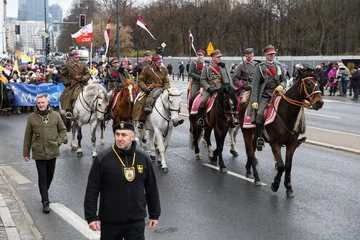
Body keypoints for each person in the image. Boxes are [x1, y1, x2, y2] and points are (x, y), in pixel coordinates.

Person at [84, 121, 161, 239]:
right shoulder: (103, 158)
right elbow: (92, 189)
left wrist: (154, 214)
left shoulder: (143, 158)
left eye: (124, 135)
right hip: (111, 221)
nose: (120, 138)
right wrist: (91, 217)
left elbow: (151, 188)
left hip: (136, 220)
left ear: (133, 136)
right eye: (117, 134)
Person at [23, 94, 68, 213]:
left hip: (53, 150)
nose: (41, 105)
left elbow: (63, 130)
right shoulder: (31, 117)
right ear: (36, 104)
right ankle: (45, 201)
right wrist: (26, 152)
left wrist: (58, 142)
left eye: (43, 102)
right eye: (39, 103)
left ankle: (44, 192)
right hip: (38, 151)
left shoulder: (55, 115)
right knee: (42, 176)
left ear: (47, 102)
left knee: (50, 175)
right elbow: (27, 136)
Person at [250, 44, 287, 151]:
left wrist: (282, 85)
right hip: (265, 94)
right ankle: (258, 138)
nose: (272, 56)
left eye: (273, 54)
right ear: (265, 55)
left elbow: (284, 79)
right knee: (260, 114)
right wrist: (254, 100)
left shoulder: (279, 67)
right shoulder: (260, 68)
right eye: (270, 54)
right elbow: (255, 84)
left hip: (278, 93)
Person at [196, 49, 235, 126]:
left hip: (221, 88)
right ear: (213, 58)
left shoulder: (223, 66)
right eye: (217, 57)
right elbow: (202, 80)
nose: (219, 58)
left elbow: (227, 80)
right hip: (210, 88)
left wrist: (224, 69)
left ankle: (233, 118)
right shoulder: (206, 67)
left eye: (220, 57)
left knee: (231, 101)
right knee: (203, 101)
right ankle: (199, 118)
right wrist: (209, 88)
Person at [132, 55, 171, 129]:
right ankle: (141, 121)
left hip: (162, 89)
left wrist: (165, 88)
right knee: (142, 101)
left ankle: (173, 118)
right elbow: (140, 80)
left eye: (160, 62)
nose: (160, 63)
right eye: (158, 62)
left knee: (172, 100)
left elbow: (166, 81)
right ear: (154, 62)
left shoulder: (164, 70)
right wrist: (144, 88)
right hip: (149, 89)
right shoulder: (147, 69)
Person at [60, 51, 91, 119]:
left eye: (78, 57)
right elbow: (62, 76)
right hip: (72, 83)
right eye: (76, 57)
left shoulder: (83, 64)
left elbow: (88, 74)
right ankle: (68, 110)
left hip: (82, 82)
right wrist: (66, 82)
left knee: (92, 93)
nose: (77, 58)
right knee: (67, 94)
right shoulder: (67, 65)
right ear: (72, 57)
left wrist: (84, 78)